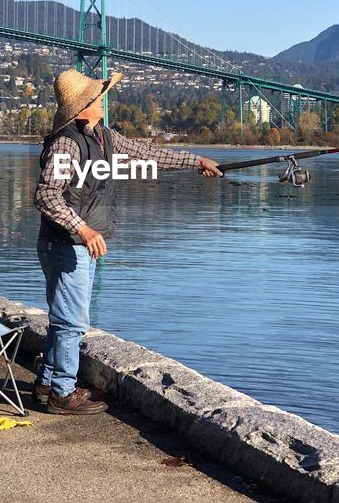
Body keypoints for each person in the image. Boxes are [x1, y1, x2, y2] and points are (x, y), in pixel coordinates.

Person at [34, 70, 222, 415]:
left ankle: (48, 382)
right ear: (81, 109)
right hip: (66, 244)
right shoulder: (66, 143)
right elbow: (47, 195)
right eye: (96, 97)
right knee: (71, 321)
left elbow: (147, 154)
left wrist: (197, 161)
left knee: (66, 317)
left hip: (80, 244)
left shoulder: (104, 137)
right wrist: (85, 230)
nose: (103, 99)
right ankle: (61, 393)